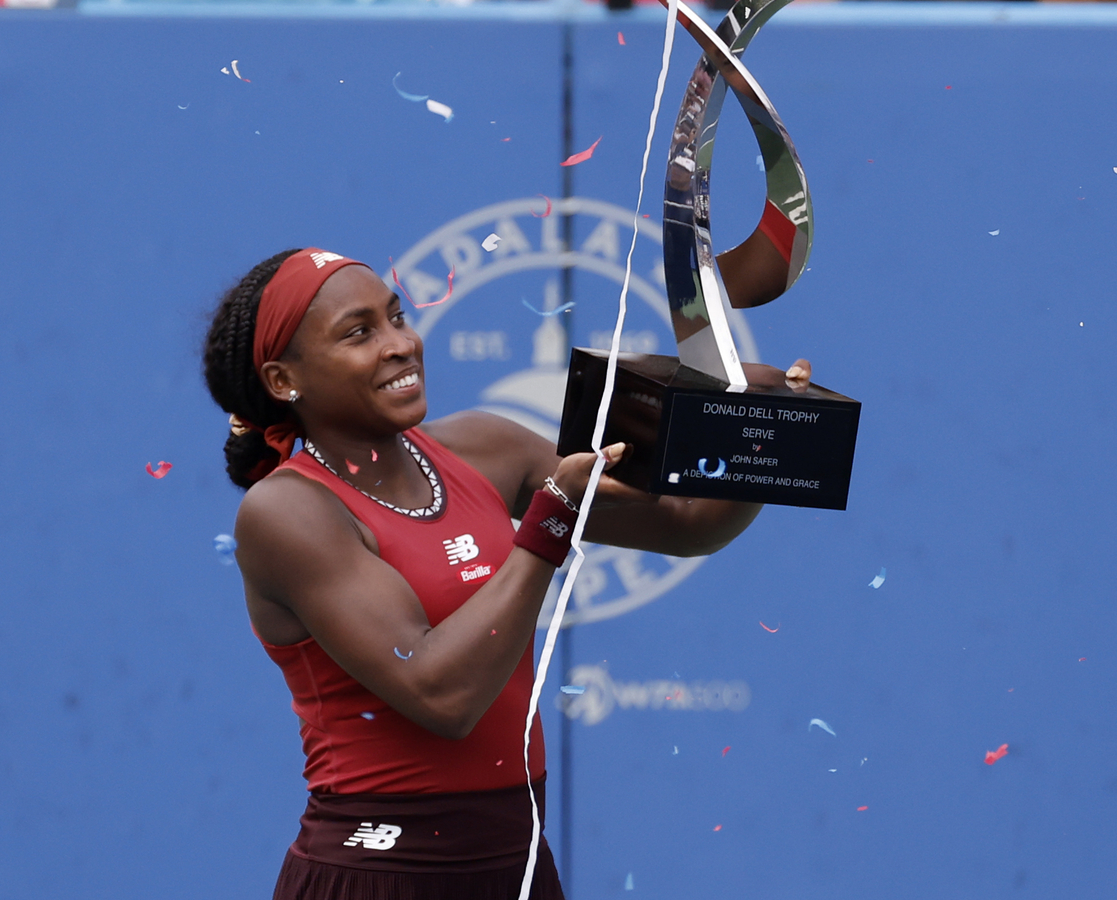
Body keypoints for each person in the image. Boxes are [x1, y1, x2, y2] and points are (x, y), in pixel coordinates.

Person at [201, 248, 810, 899]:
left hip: (515, 869)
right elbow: (441, 695)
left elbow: (686, 523)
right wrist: (549, 521)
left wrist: (756, 432)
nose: (400, 344)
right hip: (377, 874)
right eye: (360, 333)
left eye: (397, 318)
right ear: (282, 379)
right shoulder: (287, 511)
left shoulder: (485, 445)